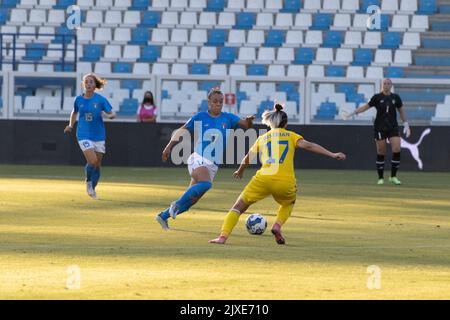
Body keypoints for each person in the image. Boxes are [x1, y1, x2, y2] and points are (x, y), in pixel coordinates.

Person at [209, 103, 346, 245]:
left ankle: (222, 237)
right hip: (284, 182)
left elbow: (247, 158)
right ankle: (277, 225)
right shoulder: (292, 136)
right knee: (289, 203)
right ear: (285, 123)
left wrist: (240, 171)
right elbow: (309, 145)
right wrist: (332, 154)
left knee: (238, 207)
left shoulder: (262, 138)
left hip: (262, 179)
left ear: (271, 123)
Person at [155, 87, 255, 230]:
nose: (218, 104)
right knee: (206, 184)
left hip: (213, 166)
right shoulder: (200, 117)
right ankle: (175, 205)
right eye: (215, 101)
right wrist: (169, 146)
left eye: (221, 102)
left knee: (191, 201)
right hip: (199, 159)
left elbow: (246, 125)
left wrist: (249, 120)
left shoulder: (228, 117)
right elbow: (183, 130)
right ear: (209, 102)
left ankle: (163, 216)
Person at [343, 78, 411, 185]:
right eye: (384, 83)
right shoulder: (377, 97)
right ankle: (380, 178)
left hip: (393, 127)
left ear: (391, 85)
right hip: (380, 128)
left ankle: (393, 176)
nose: (386, 85)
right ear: (382, 85)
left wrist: (406, 124)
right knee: (381, 151)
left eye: (388, 84)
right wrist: (352, 113)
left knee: (397, 148)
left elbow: (401, 111)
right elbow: (365, 107)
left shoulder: (396, 98)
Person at [64, 73, 116, 199]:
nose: (88, 84)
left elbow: (110, 113)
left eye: (91, 82)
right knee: (92, 161)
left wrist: (110, 116)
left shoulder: (100, 99)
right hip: (83, 134)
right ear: (83, 84)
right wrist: (70, 125)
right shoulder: (78, 100)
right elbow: (74, 112)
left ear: (95, 85)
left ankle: (93, 187)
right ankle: (88, 181)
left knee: (97, 164)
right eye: (86, 82)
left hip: (98, 135)